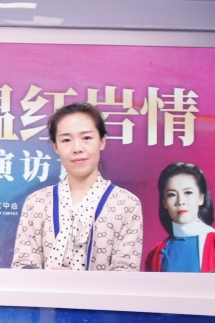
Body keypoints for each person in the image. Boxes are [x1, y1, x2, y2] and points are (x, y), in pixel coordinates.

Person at [11, 102, 142, 271]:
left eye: (86, 138)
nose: (77, 148)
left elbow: (126, 272)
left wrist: (74, 281)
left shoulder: (126, 203)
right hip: (45, 290)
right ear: (56, 147)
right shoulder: (36, 202)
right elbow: (22, 266)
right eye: (66, 140)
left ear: (102, 141)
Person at [144, 162, 215, 273]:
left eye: (188, 193)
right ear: (165, 202)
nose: (180, 202)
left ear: (201, 198)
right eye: (172, 194)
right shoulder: (155, 254)